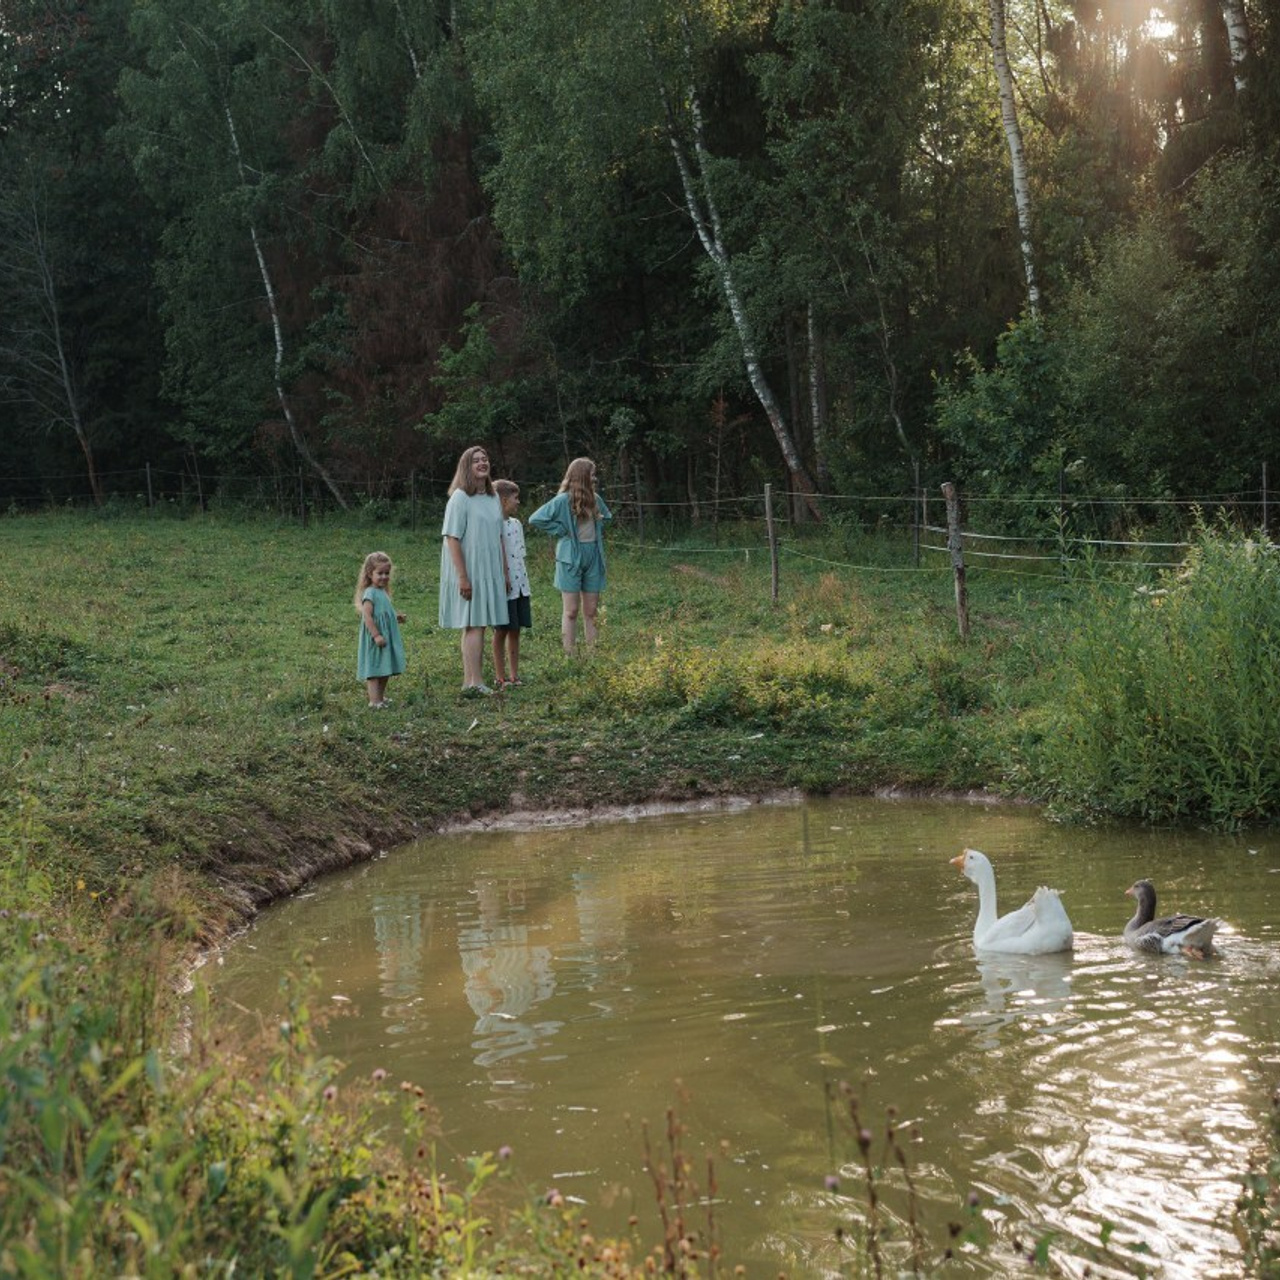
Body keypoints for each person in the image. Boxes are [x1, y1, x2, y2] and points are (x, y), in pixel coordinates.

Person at [439, 445, 509, 695]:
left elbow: (500, 538)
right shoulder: (460, 498)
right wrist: (463, 577)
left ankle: (470, 682)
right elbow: (452, 538)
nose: (482, 463)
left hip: (489, 570)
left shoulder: (492, 498)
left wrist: (505, 572)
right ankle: (475, 682)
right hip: (469, 569)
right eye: (476, 461)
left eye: (485, 459)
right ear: (466, 467)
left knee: (477, 623)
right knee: (474, 623)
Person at [528, 457, 612, 654]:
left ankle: (593, 654)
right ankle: (570, 655)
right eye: (592, 474)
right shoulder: (562, 500)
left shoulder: (596, 499)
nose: (595, 478)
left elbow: (607, 516)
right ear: (582, 476)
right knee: (571, 610)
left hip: (593, 555)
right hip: (570, 558)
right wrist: (561, 529)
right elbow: (535, 519)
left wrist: (599, 522)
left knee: (591, 611)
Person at [492, 479, 532, 688]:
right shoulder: (493, 524)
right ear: (503, 499)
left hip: (520, 585)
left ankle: (514, 675)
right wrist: (503, 577)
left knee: (516, 629)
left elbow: (520, 555)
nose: (518, 502)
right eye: (516, 498)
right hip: (504, 588)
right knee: (502, 630)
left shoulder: (516, 524)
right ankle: (500, 676)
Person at [354, 551, 406, 708]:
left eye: (387, 573)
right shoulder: (369, 593)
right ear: (370, 574)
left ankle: (380, 698)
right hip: (375, 638)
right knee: (375, 668)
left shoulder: (383, 592)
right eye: (380, 573)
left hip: (386, 636)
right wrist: (376, 635)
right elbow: (367, 617)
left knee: (385, 668)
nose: (384, 577)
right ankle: (374, 701)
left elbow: (383, 613)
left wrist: (396, 617)